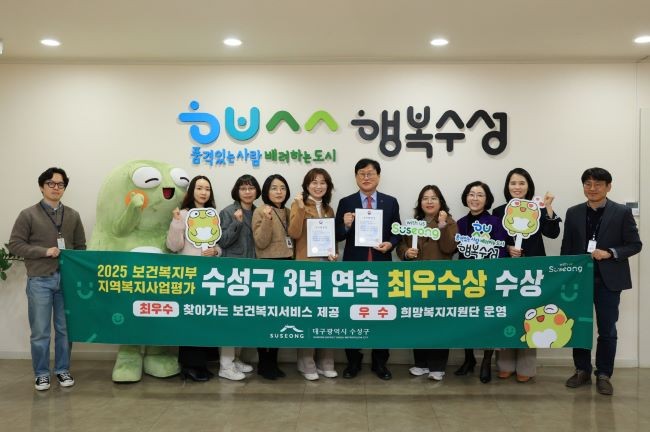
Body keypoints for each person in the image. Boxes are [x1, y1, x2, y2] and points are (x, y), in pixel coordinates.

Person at [561, 167, 641, 396]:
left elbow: (635, 244)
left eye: (598, 184)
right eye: (588, 184)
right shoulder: (573, 212)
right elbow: (567, 246)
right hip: (579, 280)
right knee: (579, 327)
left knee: (607, 329)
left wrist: (611, 253)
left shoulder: (621, 212)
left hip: (608, 281)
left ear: (608, 187)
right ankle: (582, 370)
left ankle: (604, 374)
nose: (592, 188)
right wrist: (565, 276)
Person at [9, 167, 86, 391]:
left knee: (65, 330)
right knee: (40, 331)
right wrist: (44, 251)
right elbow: (15, 245)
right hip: (40, 280)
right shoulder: (28, 214)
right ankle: (41, 373)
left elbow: (80, 247)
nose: (56, 188)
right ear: (42, 187)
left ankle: (62, 370)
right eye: (51, 183)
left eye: (60, 184)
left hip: (66, 281)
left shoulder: (73, 215)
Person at [492, 168, 561, 383]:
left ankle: (526, 367)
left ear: (528, 186)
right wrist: (507, 248)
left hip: (532, 270)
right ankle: (504, 364)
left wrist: (548, 206)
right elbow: (492, 241)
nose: (517, 187)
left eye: (521, 183)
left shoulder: (537, 208)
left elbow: (553, 233)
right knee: (506, 315)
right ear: (507, 186)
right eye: (513, 183)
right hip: (505, 271)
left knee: (530, 315)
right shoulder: (499, 211)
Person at [335, 158, 401, 380]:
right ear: (356, 177)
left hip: (381, 268)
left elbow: (397, 231)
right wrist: (345, 225)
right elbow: (337, 235)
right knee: (353, 315)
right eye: (361, 173)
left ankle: (380, 362)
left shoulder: (390, 202)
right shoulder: (346, 202)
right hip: (354, 268)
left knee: (382, 315)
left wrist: (390, 244)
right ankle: (353, 361)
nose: (366, 177)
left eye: (370, 173)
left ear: (378, 176)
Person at [397, 185, 458, 381]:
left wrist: (442, 225)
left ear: (441, 202)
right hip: (416, 281)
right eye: (425, 198)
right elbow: (401, 245)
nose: (429, 202)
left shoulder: (450, 222)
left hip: (440, 281)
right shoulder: (413, 223)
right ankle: (421, 363)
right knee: (419, 321)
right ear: (420, 202)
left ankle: (437, 367)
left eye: (433, 198)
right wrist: (406, 252)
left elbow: (449, 248)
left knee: (438, 323)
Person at [166, 175, 223, 381]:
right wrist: (176, 222)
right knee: (191, 319)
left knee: (205, 319)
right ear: (192, 191)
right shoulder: (182, 214)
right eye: (199, 188)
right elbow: (173, 246)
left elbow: (218, 245)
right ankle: (190, 366)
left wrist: (215, 251)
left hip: (209, 276)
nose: (203, 192)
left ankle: (201, 364)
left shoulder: (212, 214)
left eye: (207, 188)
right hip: (190, 275)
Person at [288, 168, 339, 381]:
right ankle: (306, 362)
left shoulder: (329, 209)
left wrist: (334, 253)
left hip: (326, 268)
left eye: (323, 182)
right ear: (307, 185)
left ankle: (326, 361)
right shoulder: (298, 205)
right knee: (308, 315)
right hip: (306, 267)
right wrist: (300, 208)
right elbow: (294, 233)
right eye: (314, 182)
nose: (318, 186)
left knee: (327, 315)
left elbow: (331, 238)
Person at [454, 181, 507, 384]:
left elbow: (501, 251)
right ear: (466, 197)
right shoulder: (460, 222)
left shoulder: (495, 222)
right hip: (465, 278)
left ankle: (486, 361)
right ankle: (469, 359)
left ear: (487, 199)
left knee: (488, 320)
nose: (474, 198)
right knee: (466, 319)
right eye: (471, 194)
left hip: (488, 278)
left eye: (480, 195)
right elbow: (454, 248)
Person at [217, 174, 261, 380]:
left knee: (244, 317)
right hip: (233, 272)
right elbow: (222, 241)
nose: (248, 192)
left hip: (253, 270)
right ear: (237, 191)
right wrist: (236, 223)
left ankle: (235, 359)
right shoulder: (228, 212)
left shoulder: (259, 211)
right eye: (243, 188)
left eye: (251, 188)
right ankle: (225, 365)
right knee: (230, 319)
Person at [253, 174, 294, 380]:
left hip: (286, 266)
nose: (279, 192)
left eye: (283, 188)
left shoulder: (288, 211)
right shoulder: (261, 210)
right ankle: (264, 362)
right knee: (265, 317)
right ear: (266, 191)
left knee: (280, 317)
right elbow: (260, 242)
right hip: (267, 268)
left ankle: (273, 361)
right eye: (274, 188)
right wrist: (268, 220)